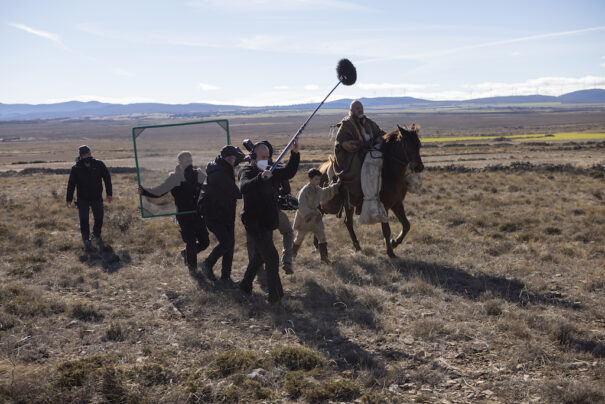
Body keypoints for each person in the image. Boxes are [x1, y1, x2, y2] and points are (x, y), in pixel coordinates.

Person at [238, 140, 300, 304]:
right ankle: (276, 297)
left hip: (267, 222)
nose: (266, 159)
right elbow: (244, 187)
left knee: (259, 256)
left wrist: (294, 154)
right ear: (253, 156)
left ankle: (244, 285)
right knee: (271, 258)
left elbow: (289, 172)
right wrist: (260, 178)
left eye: (268, 156)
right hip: (254, 223)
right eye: (262, 156)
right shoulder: (247, 170)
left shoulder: (270, 170)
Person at [138, 151, 209, 276]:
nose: (190, 164)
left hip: (198, 214)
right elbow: (160, 191)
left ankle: (186, 253)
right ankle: (193, 271)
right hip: (184, 214)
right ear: (180, 162)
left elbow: (207, 189)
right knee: (191, 242)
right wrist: (144, 191)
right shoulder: (174, 178)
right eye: (187, 161)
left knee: (205, 242)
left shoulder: (198, 174)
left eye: (191, 161)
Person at [200, 145, 245, 286]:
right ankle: (207, 264)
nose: (234, 160)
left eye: (234, 158)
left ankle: (226, 277)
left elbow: (236, 161)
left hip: (225, 213)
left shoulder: (220, 165)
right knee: (226, 243)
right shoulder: (219, 174)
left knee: (229, 246)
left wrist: (247, 158)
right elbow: (237, 193)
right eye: (232, 158)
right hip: (215, 215)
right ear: (227, 158)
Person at [333, 100, 386, 209]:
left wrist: (381, 140)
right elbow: (343, 143)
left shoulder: (368, 122)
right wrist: (361, 145)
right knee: (359, 170)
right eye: (357, 108)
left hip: (371, 151)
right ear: (351, 110)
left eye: (361, 108)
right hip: (353, 155)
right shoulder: (346, 124)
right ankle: (359, 200)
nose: (360, 110)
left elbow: (380, 133)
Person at [66, 145, 112, 249]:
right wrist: (69, 198)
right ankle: (86, 238)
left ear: (90, 153)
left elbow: (107, 179)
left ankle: (96, 234)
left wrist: (109, 193)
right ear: (81, 156)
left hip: (96, 197)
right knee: (84, 219)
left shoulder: (99, 164)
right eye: (84, 155)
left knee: (99, 218)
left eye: (88, 154)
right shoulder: (76, 168)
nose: (86, 156)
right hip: (82, 198)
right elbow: (71, 184)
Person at [292, 169, 341, 264]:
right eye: (316, 179)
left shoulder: (318, 190)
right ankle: (292, 255)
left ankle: (324, 258)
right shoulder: (304, 191)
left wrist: (336, 186)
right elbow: (300, 205)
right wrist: (309, 214)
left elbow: (326, 192)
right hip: (304, 219)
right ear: (310, 179)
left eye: (319, 179)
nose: (318, 181)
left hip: (315, 218)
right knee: (299, 238)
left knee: (322, 237)